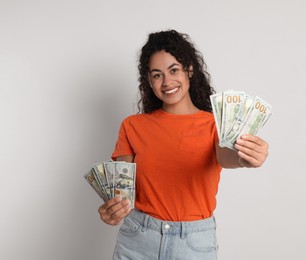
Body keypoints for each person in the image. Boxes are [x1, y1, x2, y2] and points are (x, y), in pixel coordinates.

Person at [98, 29, 269, 260]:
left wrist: (244, 157)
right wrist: (113, 211)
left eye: (174, 70)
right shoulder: (132, 126)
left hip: (193, 245)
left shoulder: (214, 125)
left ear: (189, 69)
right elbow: (120, 193)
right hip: (137, 240)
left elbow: (226, 155)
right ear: (148, 80)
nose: (167, 81)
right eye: (157, 75)